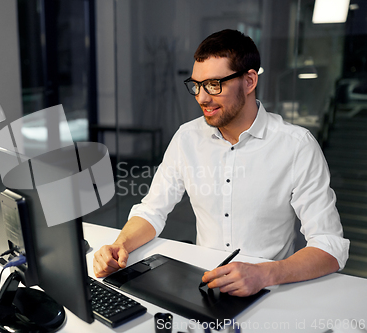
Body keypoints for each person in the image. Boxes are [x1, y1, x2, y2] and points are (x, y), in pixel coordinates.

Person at [93, 29, 350, 297]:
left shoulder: (296, 145)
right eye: (196, 85)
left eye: (214, 84)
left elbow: (330, 245)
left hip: (270, 291)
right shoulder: (187, 138)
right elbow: (152, 211)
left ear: (249, 81)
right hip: (202, 287)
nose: (202, 98)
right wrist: (119, 245)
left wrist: (264, 273)